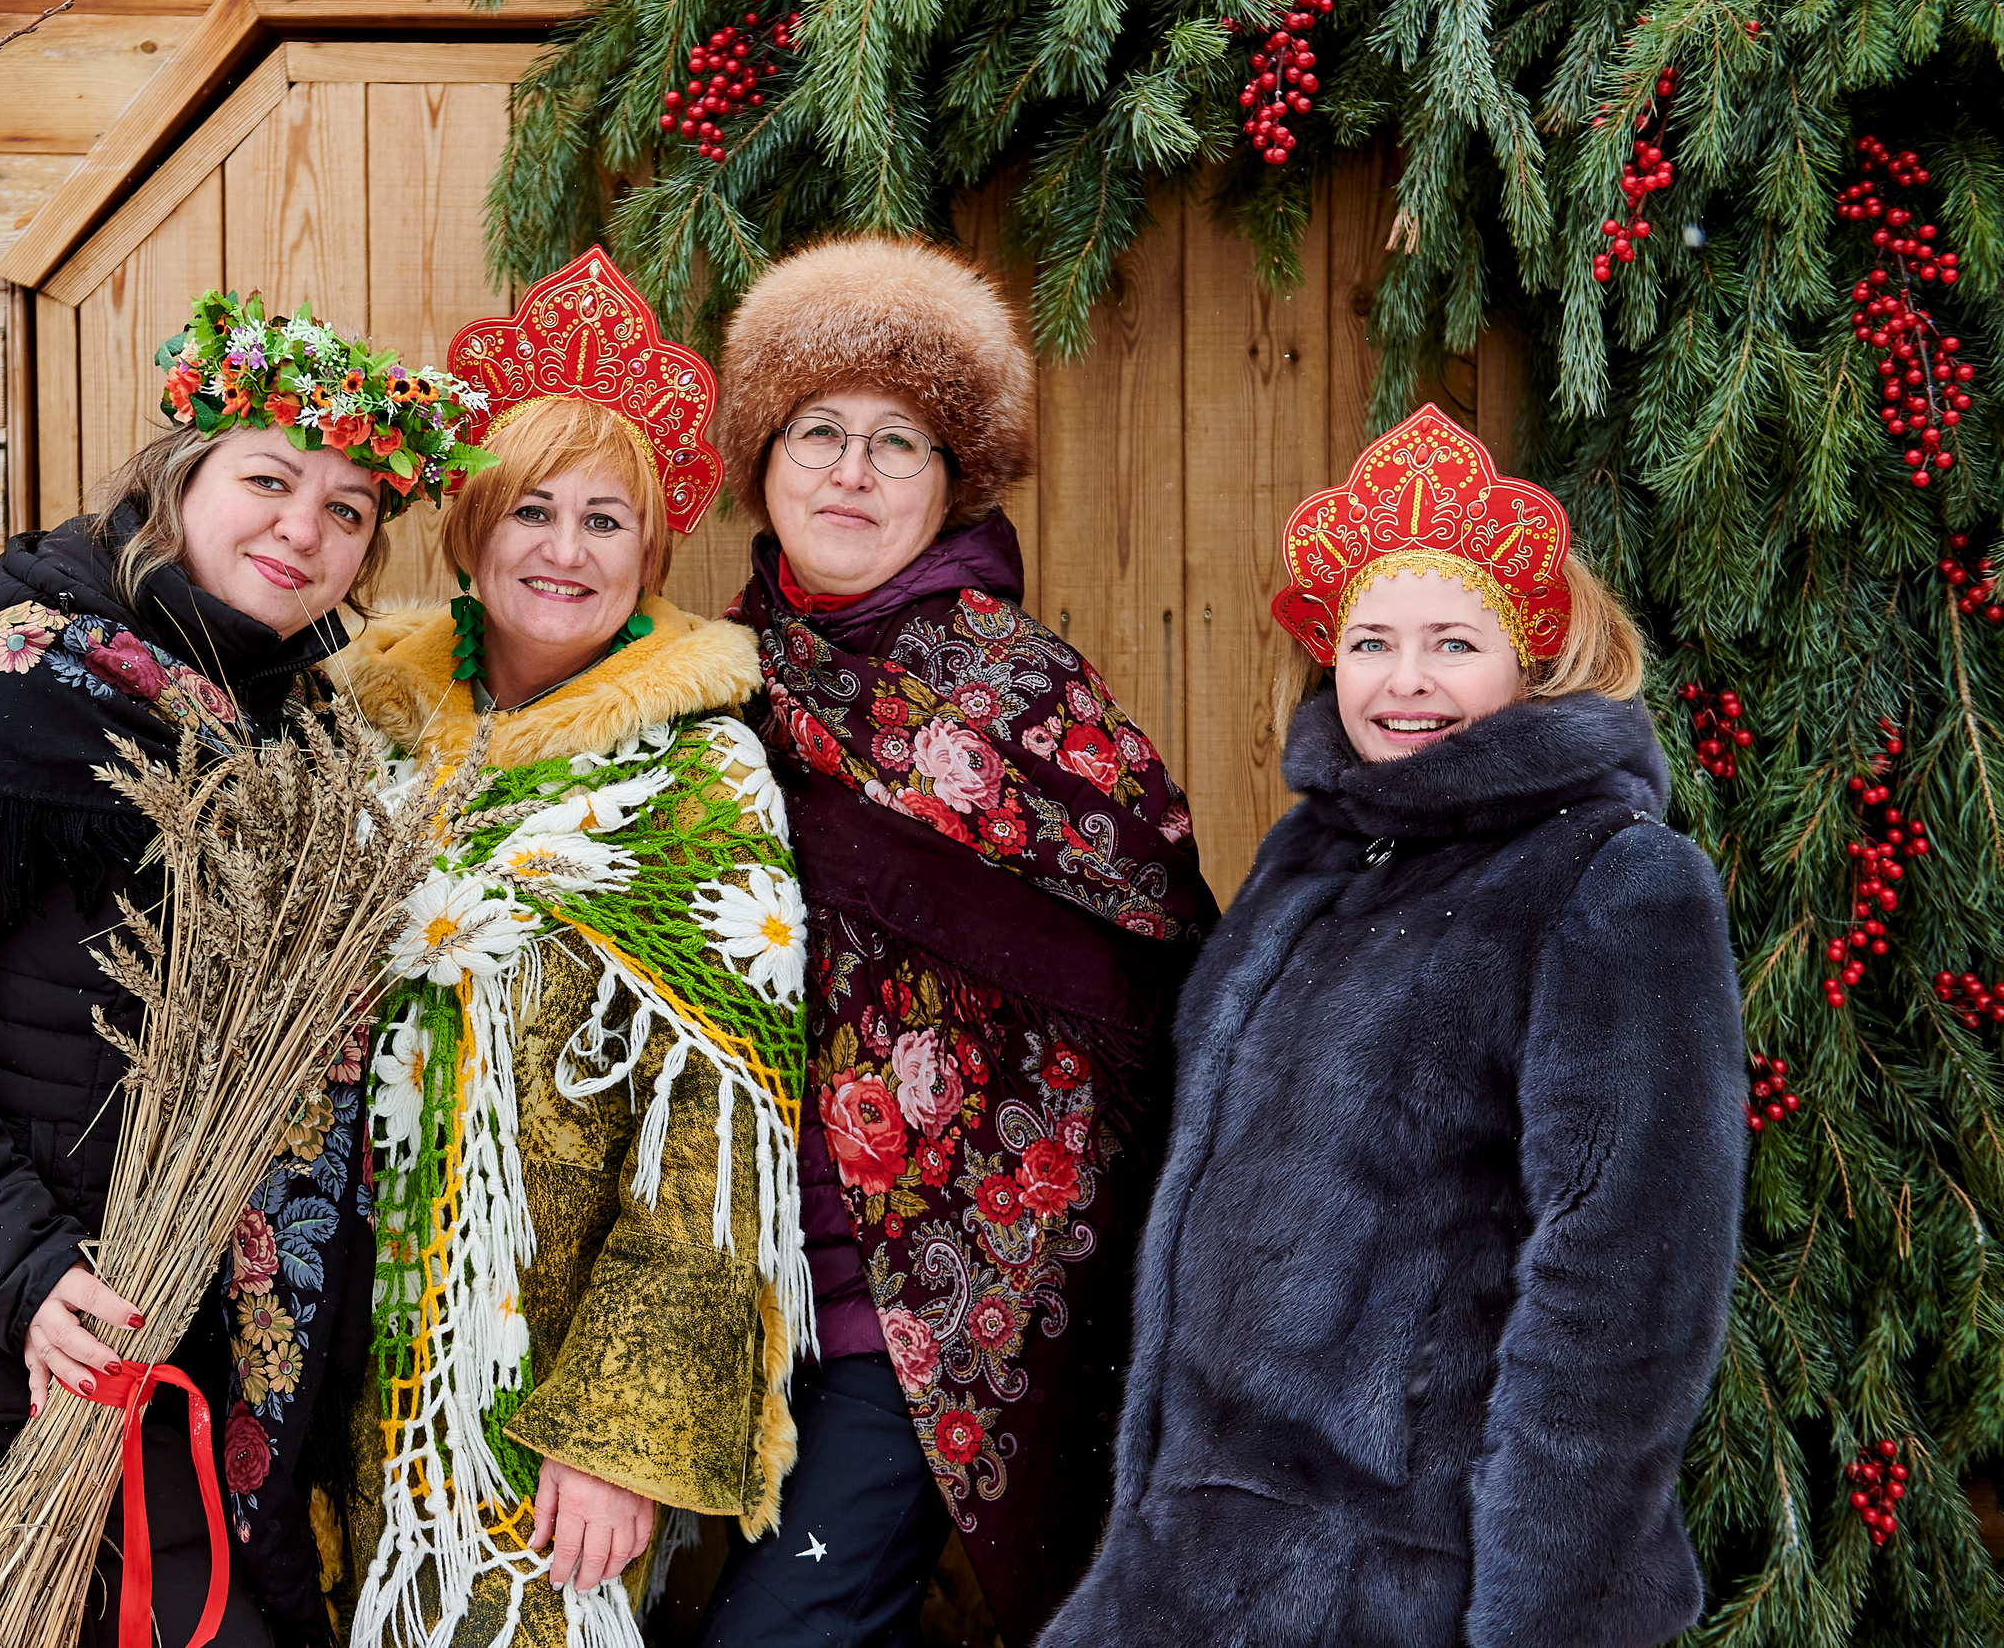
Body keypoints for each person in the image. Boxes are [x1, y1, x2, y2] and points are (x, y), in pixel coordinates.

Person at [0, 293, 492, 1648]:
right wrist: (22, 1270)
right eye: (268, 480)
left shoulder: (288, 732)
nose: (304, 527)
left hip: (156, 1333)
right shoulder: (16, 685)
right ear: (177, 482)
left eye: (346, 509)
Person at [1037, 406, 1746, 1647]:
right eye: (1371, 642)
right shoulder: (1311, 860)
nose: (1403, 682)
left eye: (1452, 644)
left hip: (1402, 1575)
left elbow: (1629, 1282)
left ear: (1533, 663)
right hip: (1190, 1556)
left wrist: (1544, 1613)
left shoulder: (1611, 879)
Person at [707, 234, 1215, 1648]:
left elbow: (1151, 952)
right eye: (818, 431)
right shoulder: (711, 678)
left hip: (938, 1285)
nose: (852, 471)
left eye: (898, 442)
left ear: (951, 481)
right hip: (732, 1274)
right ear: (763, 462)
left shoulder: (1017, 684)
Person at [320, 248, 812, 1648]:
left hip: (533, 1372)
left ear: (651, 556)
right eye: (531, 510)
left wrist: (616, 1430)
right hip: (325, 1338)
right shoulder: (364, 735)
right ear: (470, 533)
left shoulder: (698, 780)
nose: (565, 549)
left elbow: (721, 1142)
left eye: (607, 520)